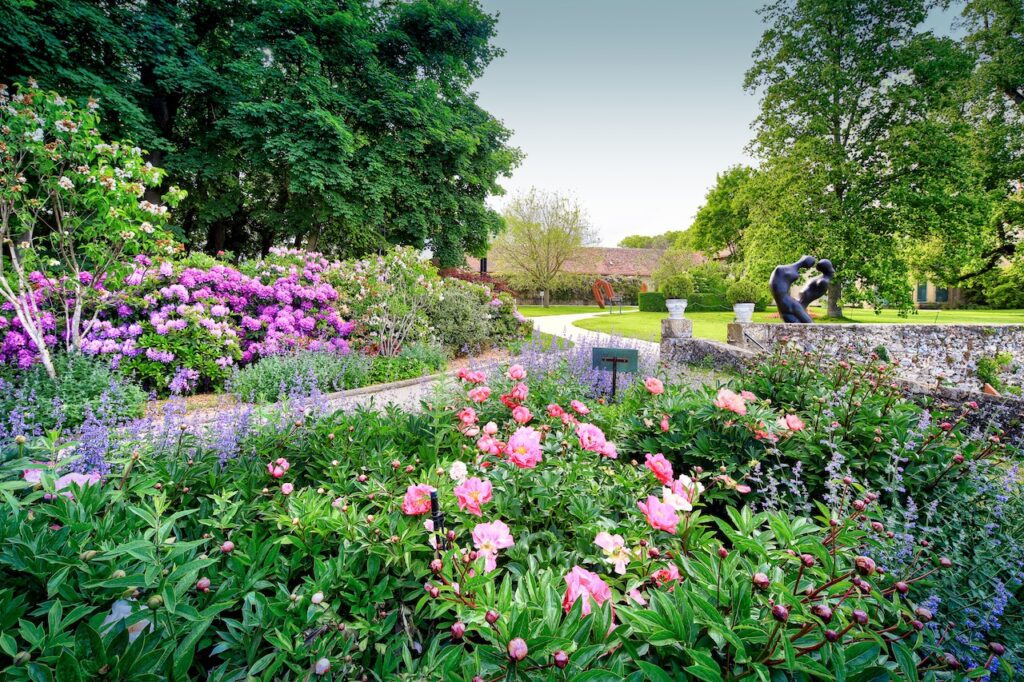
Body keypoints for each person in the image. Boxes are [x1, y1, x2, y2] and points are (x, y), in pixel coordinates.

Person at [769, 255, 816, 323]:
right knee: (809, 323)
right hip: (786, 300)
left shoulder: (781, 269)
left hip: (782, 302)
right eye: (811, 265)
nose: (808, 268)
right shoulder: (782, 269)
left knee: (797, 323)